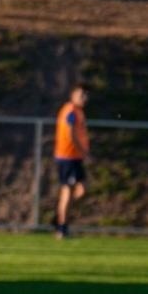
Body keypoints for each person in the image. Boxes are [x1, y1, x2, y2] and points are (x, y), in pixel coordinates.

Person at [52, 86, 90, 239]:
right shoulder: (71, 111)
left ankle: (60, 218)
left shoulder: (78, 111)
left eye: (86, 95)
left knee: (80, 190)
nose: (85, 98)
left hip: (75, 157)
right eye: (81, 95)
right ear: (72, 96)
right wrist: (83, 151)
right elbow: (70, 134)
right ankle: (61, 227)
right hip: (68, 156)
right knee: (68, 190)